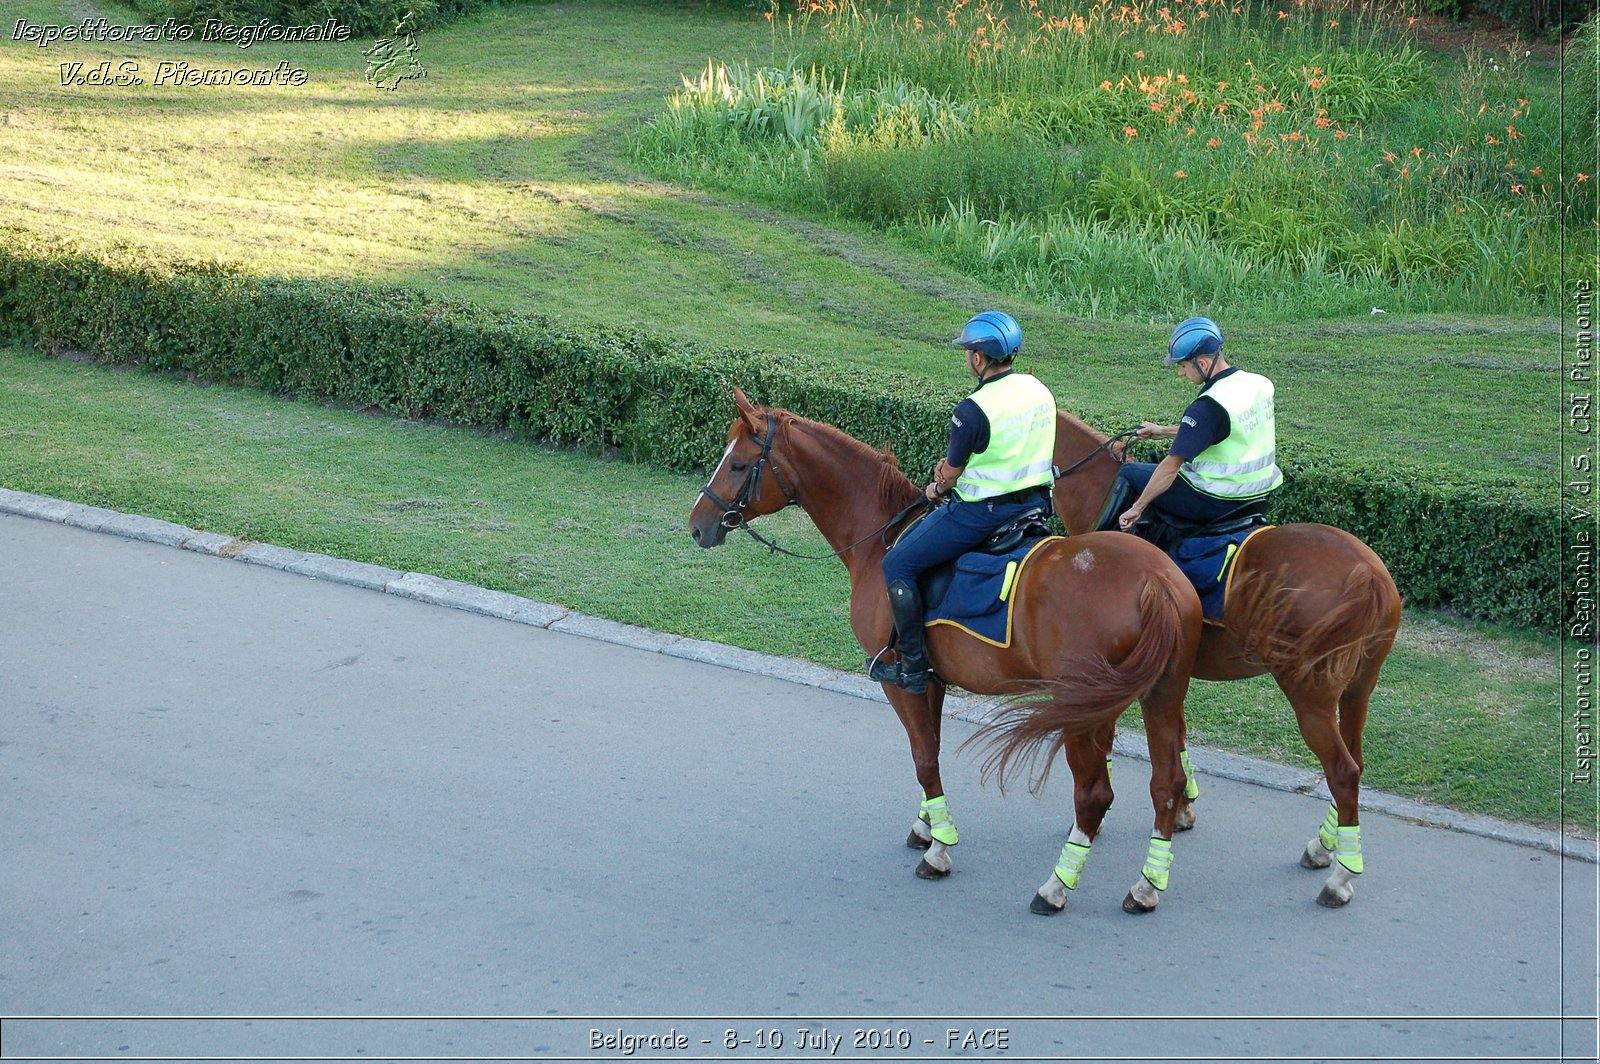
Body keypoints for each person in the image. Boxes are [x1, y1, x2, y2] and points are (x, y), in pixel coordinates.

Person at [868, 311, 1057, 694]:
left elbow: (951, 473)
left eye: (969, 350)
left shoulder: (972, 410)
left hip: (981, 514)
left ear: (979, 358)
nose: (967, 357)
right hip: (1035, 506)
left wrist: (937, 487)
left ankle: (913, 667)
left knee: (898, 562)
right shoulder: (1039, 391)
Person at [1110, 316, 1283, 537]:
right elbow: (1218, 430)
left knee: (1129, 471)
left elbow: (1170, 468)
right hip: (1259, 495)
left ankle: (1098, 545)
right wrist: (1162, 431)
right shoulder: (1259, 384)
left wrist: (1137, 507)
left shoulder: (1207, 407)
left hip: (1218, 499)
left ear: (1202, 363)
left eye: (1182, 365)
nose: (1181, 372)